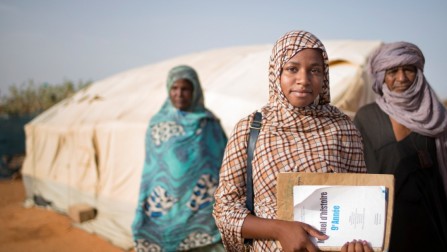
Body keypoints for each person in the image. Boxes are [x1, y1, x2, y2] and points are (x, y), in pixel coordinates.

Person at [213, 30, 372, 252]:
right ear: (276, 72)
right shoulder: (250, 129)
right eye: (292, 69)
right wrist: (280, 230)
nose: (304, 80)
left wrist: (357, 242)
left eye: (314, 70)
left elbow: (359, 202)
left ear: (324, 75)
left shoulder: (343, 128)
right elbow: (225, 210)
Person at [354, 42, 447, 251]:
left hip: (430, 226)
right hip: (381, 227)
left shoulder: (437, 117)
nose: (402, 78)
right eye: (393, 71)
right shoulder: (367, 117)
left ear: (419, 73)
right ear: (381, 77)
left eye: (409, 70)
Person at [132, 65, 228, 251]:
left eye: (185, 89)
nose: (179, 94)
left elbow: (224, 162)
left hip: (204, 207)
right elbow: (151, 170)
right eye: (174, 88)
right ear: (168, 90)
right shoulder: (157, 124)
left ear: (195, 91)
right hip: (167, 208)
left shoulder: (208, 122)